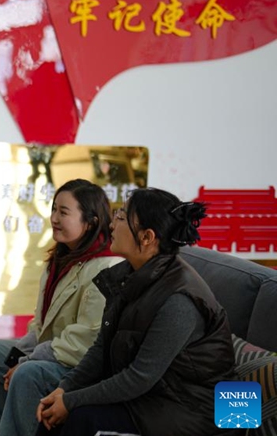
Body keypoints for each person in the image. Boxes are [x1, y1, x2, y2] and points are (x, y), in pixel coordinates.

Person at [36, 187, 235, 436]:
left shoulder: (179, 300)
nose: (111, 224)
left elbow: (140, 377)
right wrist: (64, 389)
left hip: (199, 413)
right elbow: (101, 350)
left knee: (80, 418)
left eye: (121, 217)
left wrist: (72, 401)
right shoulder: (127, 276)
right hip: (157, 397)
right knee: (53, 415)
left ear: (147, 237)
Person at [0, 179, 122, 436]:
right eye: (53, 210)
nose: (54, 218)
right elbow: (40, 324)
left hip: (78, 365)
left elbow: (84, 342)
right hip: (52, 351)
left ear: (91, 221)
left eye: (64, 212)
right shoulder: (60, 259)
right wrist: (23, 351)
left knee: (27, 373)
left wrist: (28, 359)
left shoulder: (105, 267)